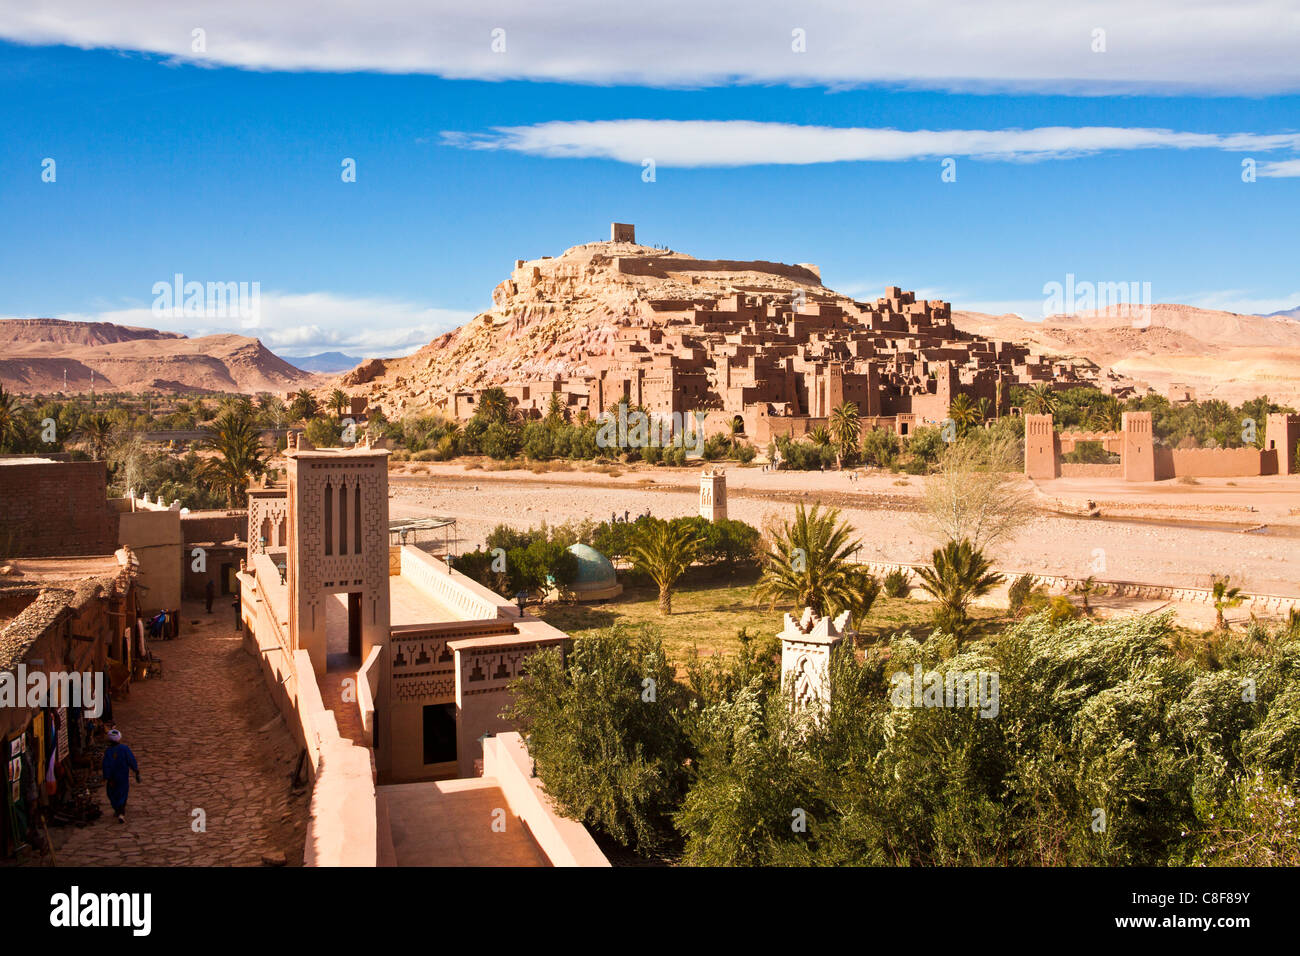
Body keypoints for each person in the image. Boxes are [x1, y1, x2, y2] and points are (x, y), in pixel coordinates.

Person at [102, 728, 140, 824]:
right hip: (122, 776)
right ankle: (121, 811)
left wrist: (107, 777)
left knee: (112, 793)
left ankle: (117, 809)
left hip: (112, 777)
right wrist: (136, 770)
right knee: (123, 793)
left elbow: (105, 765)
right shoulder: (124, 749)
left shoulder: (108, 752)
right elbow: (131, 760)